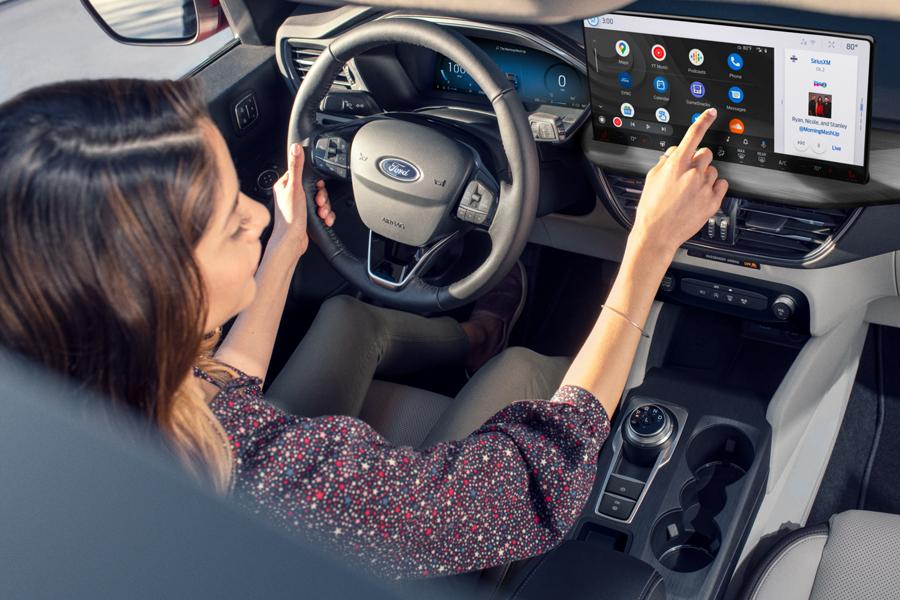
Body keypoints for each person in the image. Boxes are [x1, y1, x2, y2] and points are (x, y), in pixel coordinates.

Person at [0, 79, 726, 578]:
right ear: (152, 300)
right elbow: (531, 484)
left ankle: (475, 338)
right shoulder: (281, 485)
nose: (257, 215)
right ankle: (498, 352)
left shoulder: (81, 395)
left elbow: (217, 388)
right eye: (231, 226)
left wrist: (283, 250)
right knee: (525, 374)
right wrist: (649, 248)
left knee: (347, 313)